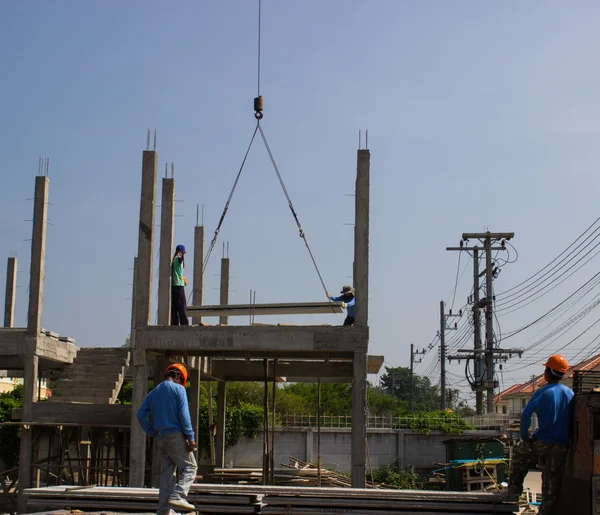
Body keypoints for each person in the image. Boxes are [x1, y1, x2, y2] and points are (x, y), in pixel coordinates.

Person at [507, 354, 573, 515]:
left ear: (549, 372)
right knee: (552, 480)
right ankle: (545, 511)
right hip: (562, 445)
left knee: (518, 452)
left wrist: (525, 437)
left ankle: (514, 491)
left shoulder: (543, 393)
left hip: (543, 441)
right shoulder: (570, 394)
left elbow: (525, 415)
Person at [137, 363, 197, 514]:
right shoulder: (179, 389)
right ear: (178, 376)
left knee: (167, 475)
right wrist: (190, 437)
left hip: (160, 439)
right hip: (175, 436)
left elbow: (140, 415)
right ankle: (179, 495)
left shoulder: (154, 393)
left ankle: (164, 510)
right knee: (190, 467)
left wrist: (151, 431)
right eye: (181, 380)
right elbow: (184, 416)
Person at [171, 244, 189, 326]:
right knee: (182, 305)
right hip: (178, 286)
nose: (183, 255)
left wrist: (183, 278)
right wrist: (180, 256)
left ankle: (174, 323)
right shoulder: (178, 259)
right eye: (183, 253)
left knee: (175, 306)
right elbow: (180, 259)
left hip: (175, 286)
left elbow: (178, 272)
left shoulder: (175, 260)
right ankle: (184, 324)